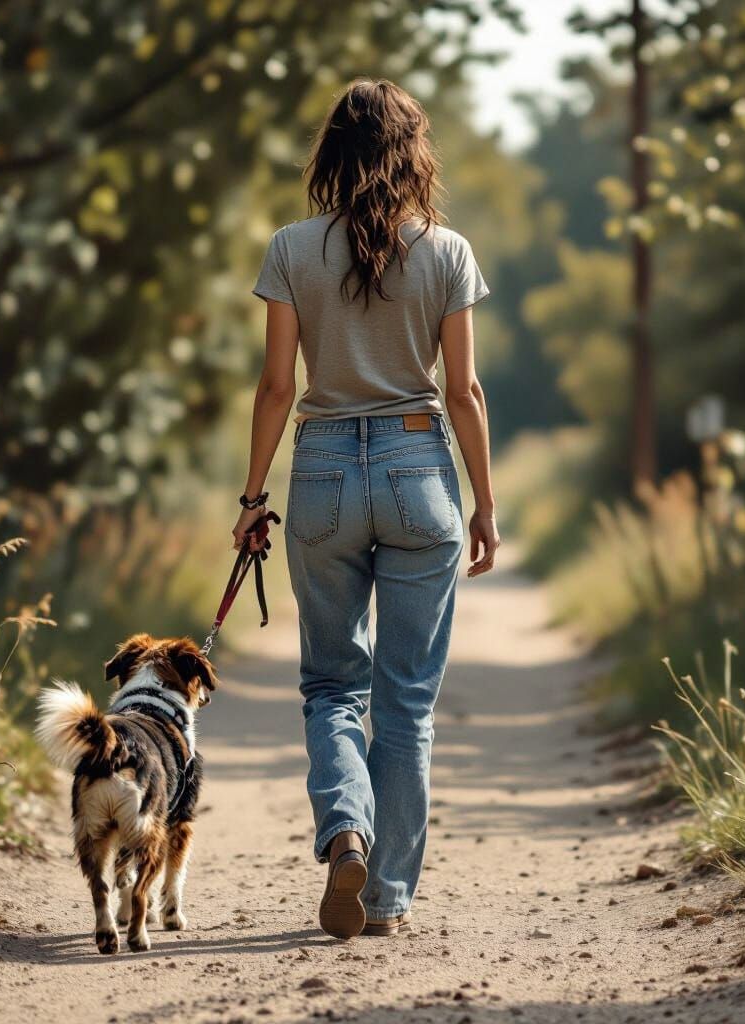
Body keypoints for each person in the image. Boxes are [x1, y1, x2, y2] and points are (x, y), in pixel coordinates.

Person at [233, 78, 499, 940]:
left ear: (331, 155)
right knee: (407, 701)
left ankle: (344, 829)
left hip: (320, 479)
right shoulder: (448, 252)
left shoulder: (291, 248)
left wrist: (250, 498)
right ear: (414, 151)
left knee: (330, 685)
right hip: (420, 467)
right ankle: (385, 897)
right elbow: (463, 392)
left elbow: (278, 387)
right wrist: (486, 507)